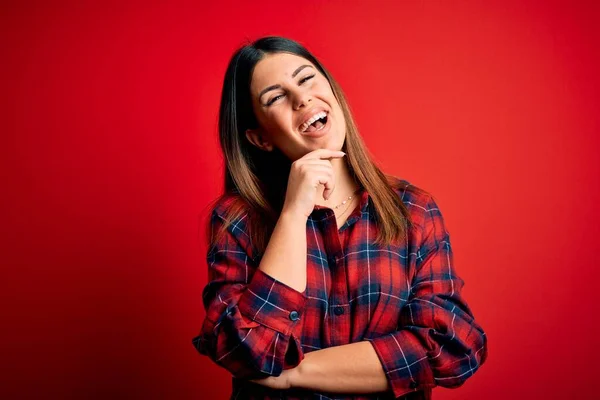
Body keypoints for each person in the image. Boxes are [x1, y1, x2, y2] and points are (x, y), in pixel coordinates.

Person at [192, 36, 488, 400]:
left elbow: (450, 347)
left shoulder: (415, 211)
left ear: (331, 90)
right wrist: (293, 213)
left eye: (306, 79)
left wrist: (293, 373)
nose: (301, 98)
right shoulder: (237, 220)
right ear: (260, 138)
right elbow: (247, 352)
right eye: (275, 97)